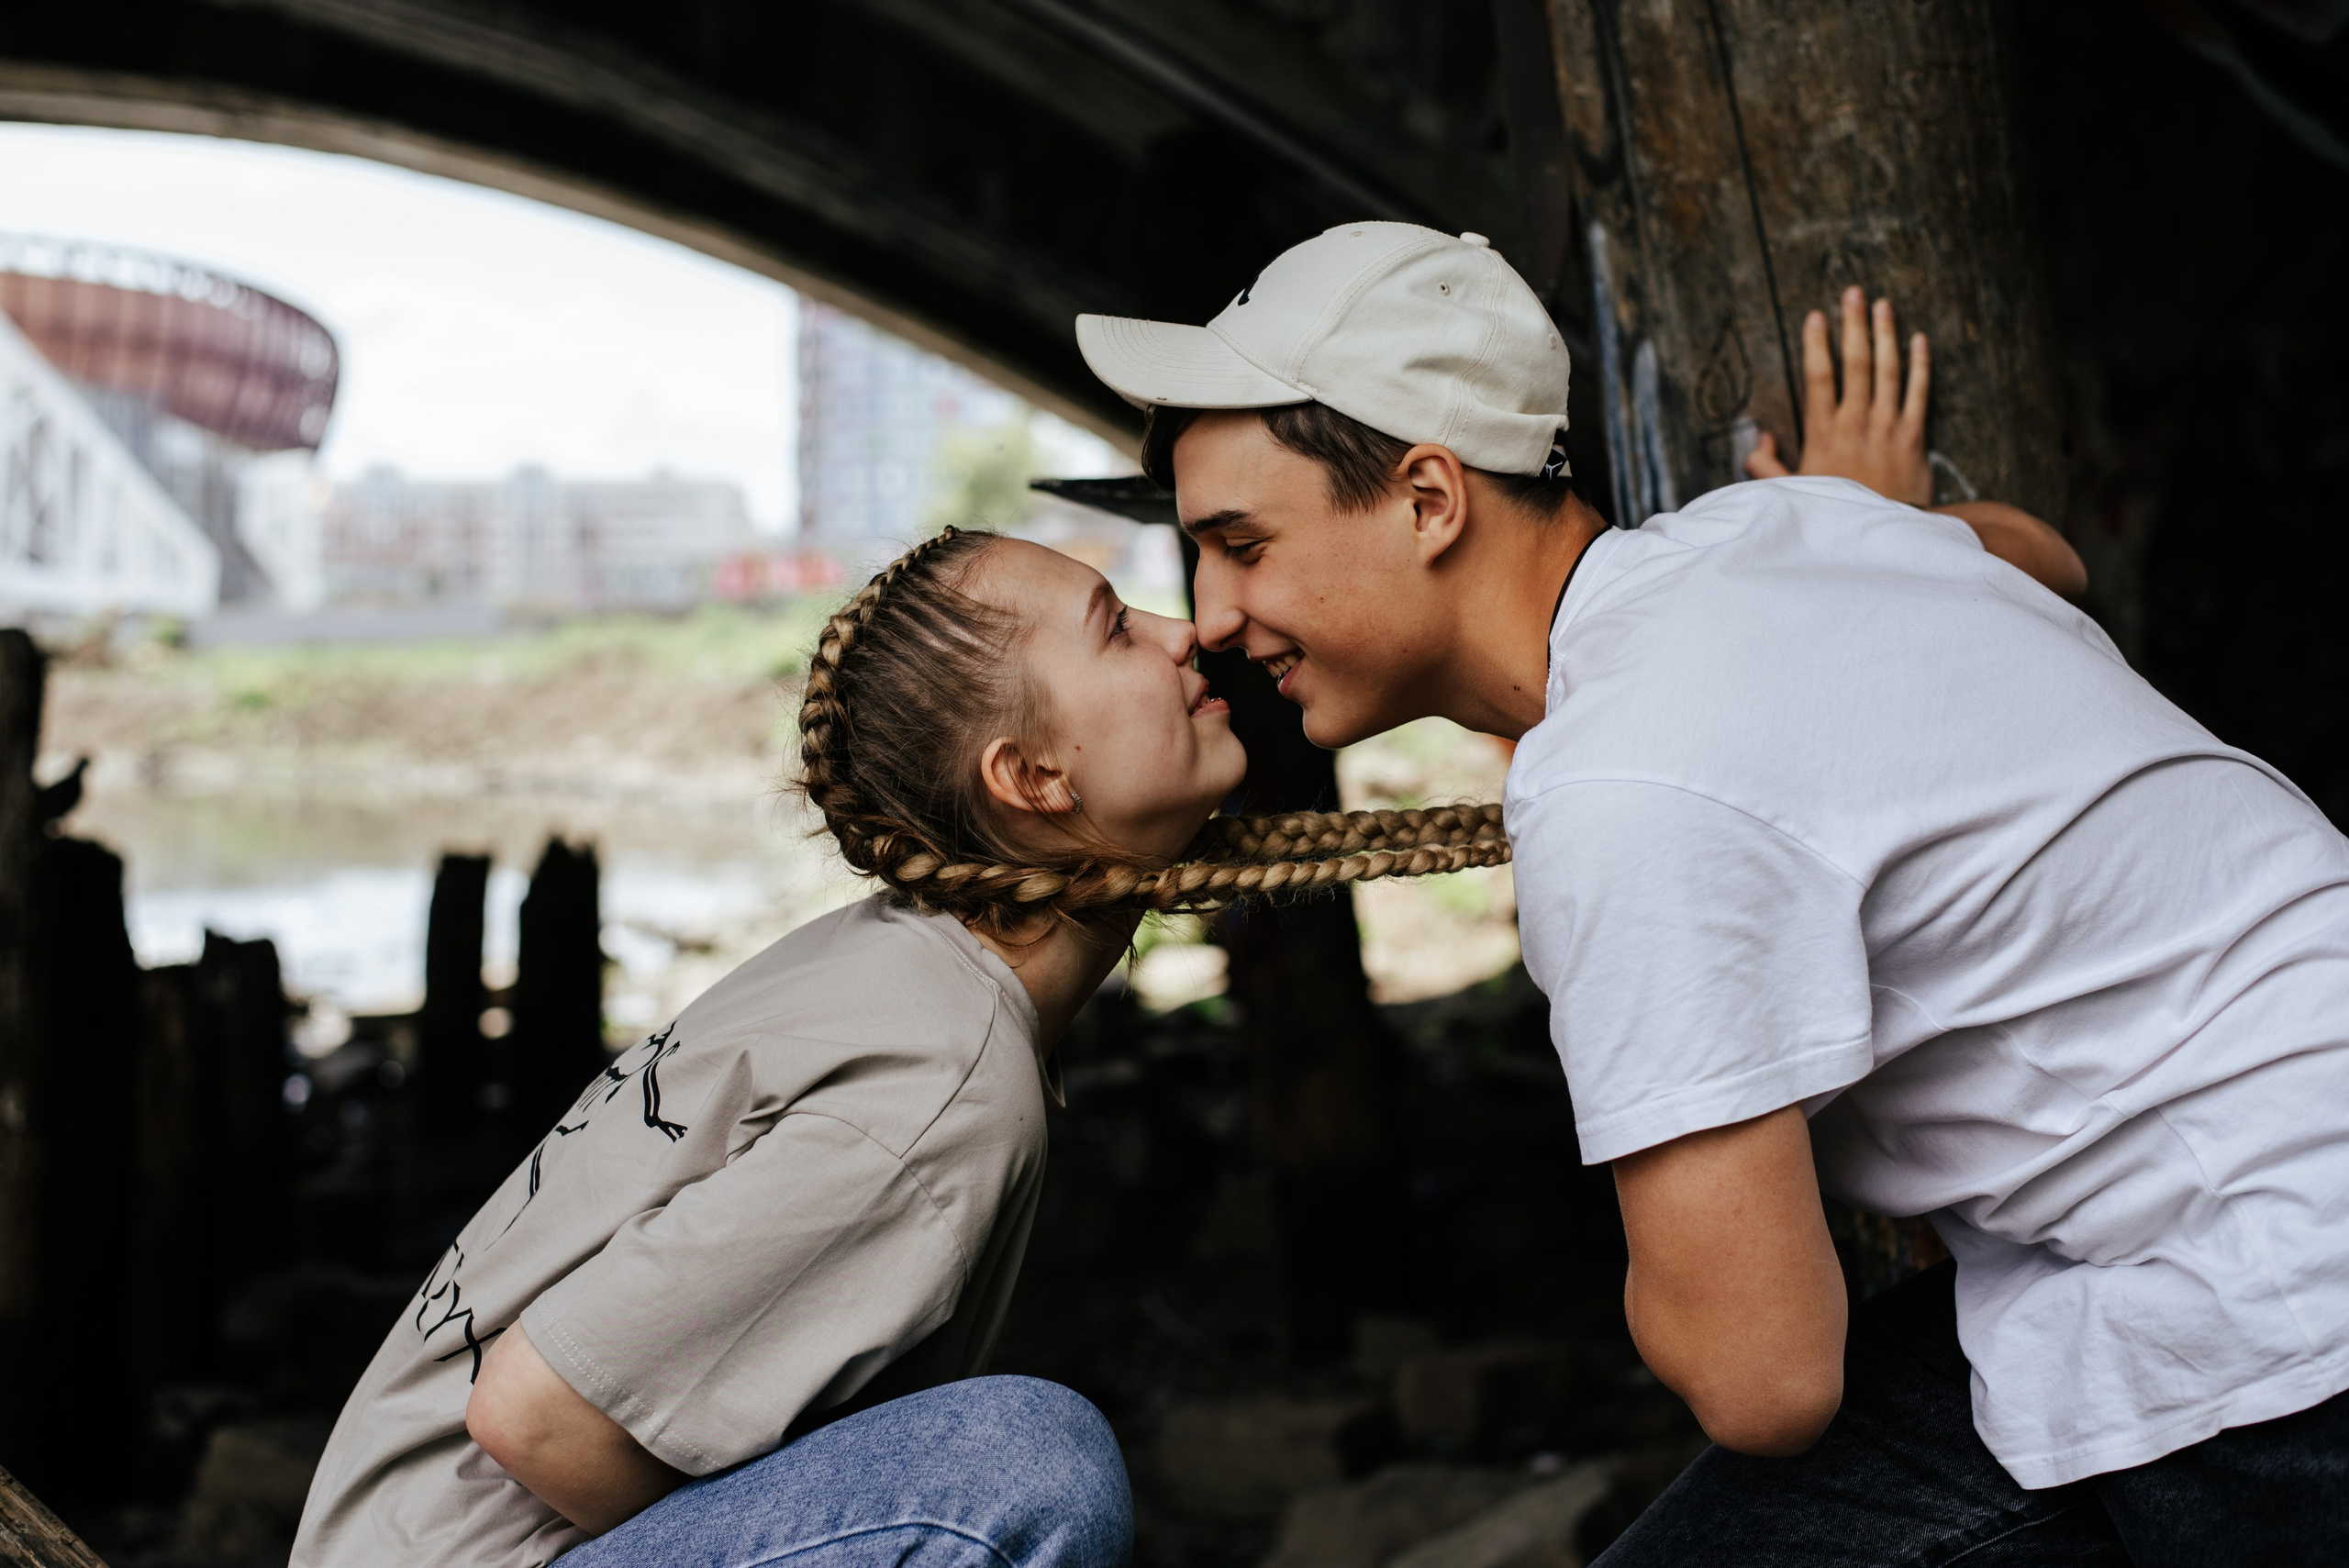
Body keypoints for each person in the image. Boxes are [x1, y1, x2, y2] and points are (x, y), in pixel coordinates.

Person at [1075, 220, 2349, 1562]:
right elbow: (2043, 555)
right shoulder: (1774, 530)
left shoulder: (1625, 786)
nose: (1210, 611)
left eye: (1242, 543)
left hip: (2280, 1304)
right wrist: (1872, 518)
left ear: (1429, 499)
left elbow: (1764, 1380)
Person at [290, 528, 1505, 1568]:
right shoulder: (942, 1076)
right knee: (1018, 1467)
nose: (1179, 630)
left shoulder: (905, 967)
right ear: (1030, 775)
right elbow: (538, 1415)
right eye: (1113, 627)